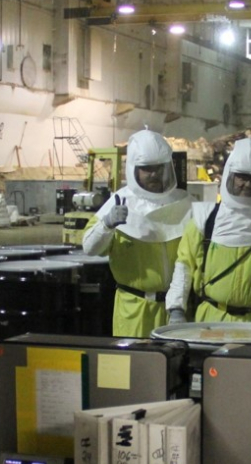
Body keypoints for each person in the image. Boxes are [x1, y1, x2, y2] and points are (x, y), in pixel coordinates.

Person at [165, 137, 251, 324]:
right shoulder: (205, 219)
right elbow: (185, 265)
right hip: (211, 322)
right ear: (229, 176)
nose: (247, 185)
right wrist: (176, 308)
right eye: (241, 177)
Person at [81, 128, 192, 336]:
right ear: (133, 169)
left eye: (159, 168)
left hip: (176, 309)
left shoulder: (184, 203)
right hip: (133, 310)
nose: (154, 174)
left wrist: (179, 307)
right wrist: (106, 224)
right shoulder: (118, 202)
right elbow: (89, 248)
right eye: (146, 168)